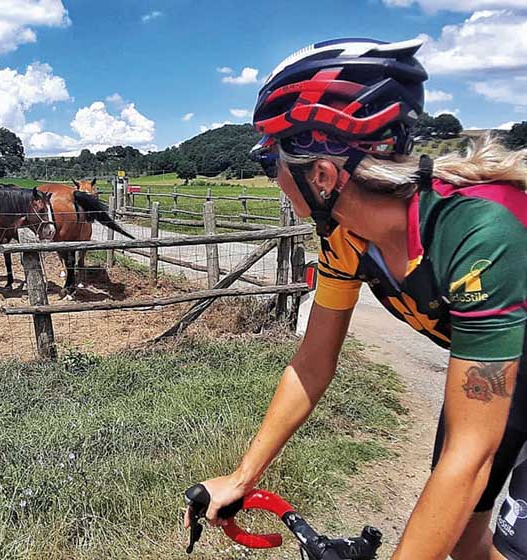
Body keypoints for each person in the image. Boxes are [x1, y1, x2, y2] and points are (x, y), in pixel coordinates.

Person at [185, 38, 527, 559]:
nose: (272, 176)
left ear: (320, 175)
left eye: (270, 161)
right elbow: (312, 363)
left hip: (505, 372)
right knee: (462, 543)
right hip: (505, 373)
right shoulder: (345, 236)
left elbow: (472, 454)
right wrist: (242, 475)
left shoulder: (478, 230)